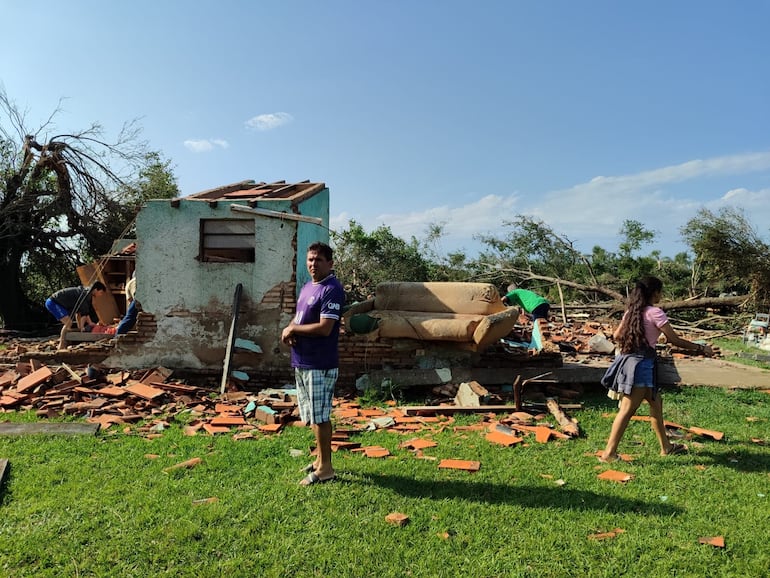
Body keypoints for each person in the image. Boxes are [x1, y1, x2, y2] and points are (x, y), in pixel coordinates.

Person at [599, 276, 714, 462]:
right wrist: (701, 348)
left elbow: (617, 335)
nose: (661, 295)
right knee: (627, 410)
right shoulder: (655, 313)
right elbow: (674, 340)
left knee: (656, 404)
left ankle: (666, 447)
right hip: (642, 366)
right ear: (654, 293)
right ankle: (609, 454)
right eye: (660, 291)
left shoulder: (632, 311)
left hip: (631, 363)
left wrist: (637, 340)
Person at [281, 242, 345, 485]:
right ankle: (319, 461)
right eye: (310, 259)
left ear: (330, 263)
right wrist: (290, 329)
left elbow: (324, 327)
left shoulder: (331, 289)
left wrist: (294, 328)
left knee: (320, 416)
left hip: (320, 362)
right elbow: (299, 318)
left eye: (318, 260)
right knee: (311, 415)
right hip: (303, 360)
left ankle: (326, 468)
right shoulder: (309, 286)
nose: (312, 264)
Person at [45, 282, 107, 350]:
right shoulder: (85, 295)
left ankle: (64, 340)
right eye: (100, 292)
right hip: (54, 302)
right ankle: (61, 344)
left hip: (60, 304)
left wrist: (81, 327)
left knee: (69, 324)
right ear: (95, 290)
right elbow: (84, 314)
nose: (100, 295)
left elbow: (79, 313)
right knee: (68, 323)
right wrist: (82, 327)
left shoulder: (87, 294)